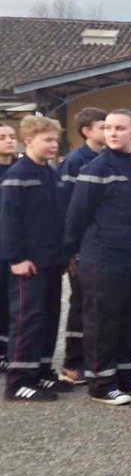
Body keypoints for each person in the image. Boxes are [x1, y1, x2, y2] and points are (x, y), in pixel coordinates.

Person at [64, 110, 131, 406]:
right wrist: (73, 254)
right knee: (102, 322)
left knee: (130, 320)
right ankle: (102, 383)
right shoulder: (96, 168)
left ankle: (125, 375)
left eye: (119, 128)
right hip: (104, 259)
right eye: (108, 128)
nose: (112, 133)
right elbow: (77, 216)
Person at [2, 116, 67, 401]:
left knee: (48, 317)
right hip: (27, 263)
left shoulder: (50, 174)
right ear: (28, 141)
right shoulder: (18, 175)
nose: (53, 145)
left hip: (50, 260)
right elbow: (9, 221)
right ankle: (18, 380)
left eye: (55, 140)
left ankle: (41, 371)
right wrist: (16, 258)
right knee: (26, 319)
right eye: (47, 140)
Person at [56, 107, 107, 385]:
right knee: (80, 306)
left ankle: (94, 360)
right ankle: (72, 363)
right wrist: (71, 250)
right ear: (87, 130)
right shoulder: (76, 162)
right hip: (82, 250)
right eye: (102, 126)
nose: (108, 130)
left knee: (96, 307)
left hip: (100, 248)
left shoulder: (107, 159)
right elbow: (67, 209)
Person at [0, 121, 17, 374]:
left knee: (9, 300)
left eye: (12, 136)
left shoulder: (19, 170)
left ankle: (6, 350)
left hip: (11, 246)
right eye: (3, 136)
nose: (9, 140)